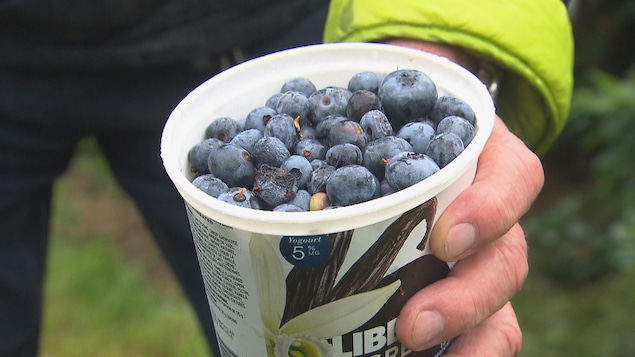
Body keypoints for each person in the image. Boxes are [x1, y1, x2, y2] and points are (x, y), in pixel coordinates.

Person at [0, 1, 573, 357]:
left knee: (268, 317)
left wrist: (439, 44)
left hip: (236, 28)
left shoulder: (333, 130)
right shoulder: (249, 145)